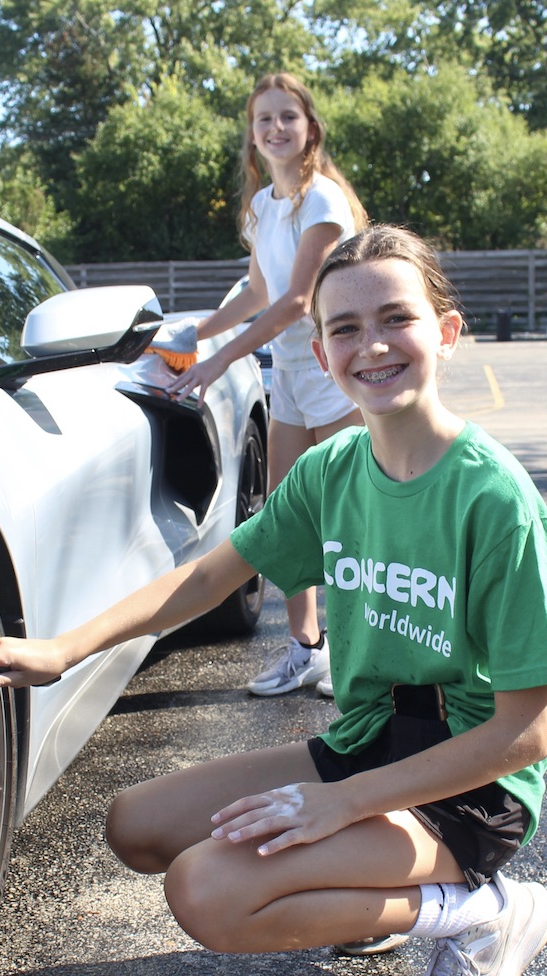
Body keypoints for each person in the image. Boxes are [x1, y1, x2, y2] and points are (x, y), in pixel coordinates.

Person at [0, 225, 547, 976]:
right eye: (345, 329)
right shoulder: (334, 469)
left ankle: (482, 913)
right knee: (136, 826)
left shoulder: (496, 501)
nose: (373, 345)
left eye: (397, 318)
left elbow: (524, 736)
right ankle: (365, 892)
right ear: (318, 354)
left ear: (447, 333)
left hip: (467, 790)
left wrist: (334, 807)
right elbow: (213, 575)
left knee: (206, 893)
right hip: (371, 744)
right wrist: (64, 649)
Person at [170, 72, 367, 697]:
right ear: (252, 136)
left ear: (309, 127)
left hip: (338, 370)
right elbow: (256, 293)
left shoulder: (325, 202)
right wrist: (193, 333)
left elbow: (296, 301)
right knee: (288, 516)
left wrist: (218, 359)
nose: (276, 128)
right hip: (289, 375)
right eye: (264, 120)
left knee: (351, 518)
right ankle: (305, 648)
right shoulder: (261, 207)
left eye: (288, 117)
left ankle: (362, 654)